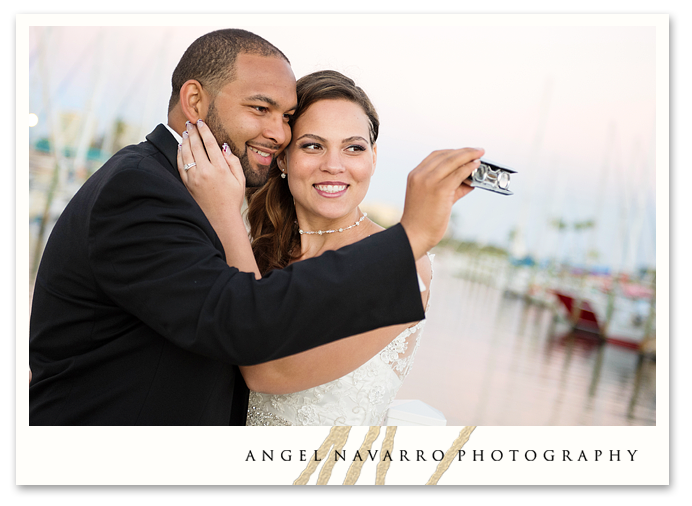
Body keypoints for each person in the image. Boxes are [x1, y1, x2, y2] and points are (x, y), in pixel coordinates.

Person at [29, 28, 483, 426]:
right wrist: (411, 235)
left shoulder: (203, 202)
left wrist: (409, 245)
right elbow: (248, 335)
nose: (278, 133)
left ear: (373, 158)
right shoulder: (143, 191)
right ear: (195, 101)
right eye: (262, 109)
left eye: (285, 117)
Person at [178, 70, 433, 425]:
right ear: (282, 158)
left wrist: (223, 211)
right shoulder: (253, 252)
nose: (333, 165)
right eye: (313, 145)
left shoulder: (402, 265)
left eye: (354, 148)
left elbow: (268, 371)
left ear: (373, 157)